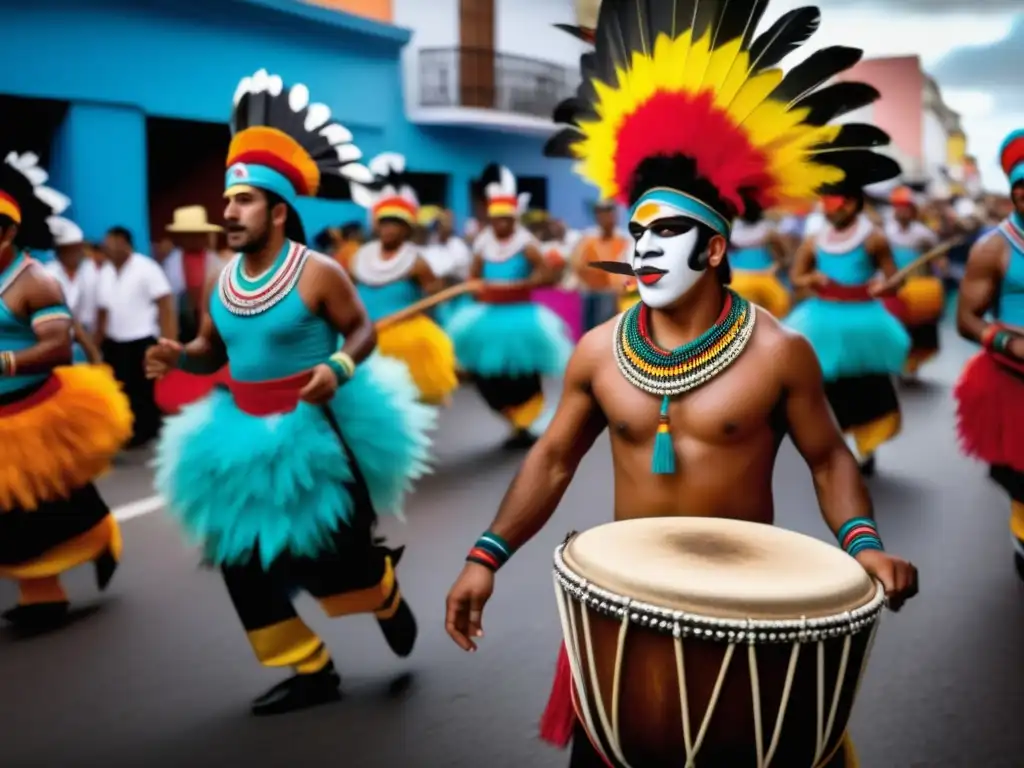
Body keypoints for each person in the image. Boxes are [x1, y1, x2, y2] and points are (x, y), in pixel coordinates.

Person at [444, 4, 918, 766]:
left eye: (667, 231)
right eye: (637, 233)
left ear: (716, 247)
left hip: (749, 614)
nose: (643, 248)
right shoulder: (599, 352)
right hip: (623, 609)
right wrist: (483, 557)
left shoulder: (778, 352)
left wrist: (864, 547)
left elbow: (829, 459)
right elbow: (554, 459)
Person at [145, 68, 435, 716]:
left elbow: (363, 330)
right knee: (240, 562)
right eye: (227, 202)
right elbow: (211, 350)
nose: (229, 212)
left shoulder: (318, 271)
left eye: (243, 201)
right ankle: (308, 668)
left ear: (278, 210)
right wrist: (179, 356)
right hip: (242, 438)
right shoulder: (218, 281)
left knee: (339, 562)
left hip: (316, 433)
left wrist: (338, 365)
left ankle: (379, 590)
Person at [0, 151, 132, 629]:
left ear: (10, 230)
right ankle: (41, 592)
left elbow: (58, 347)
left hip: (35, 409)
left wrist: (6, 361)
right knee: (14, 513)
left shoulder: (35, 280)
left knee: (41, 507)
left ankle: (92, 544)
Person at [444, 163, 572, 449]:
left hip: (521, 318)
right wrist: (477, 286)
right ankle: (515, 419)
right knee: (486, 376)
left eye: (506, 219)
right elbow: (473, 277)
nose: (501, 224)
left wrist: (524, 283)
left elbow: (544, 273)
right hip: (486, 318)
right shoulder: (482, 244)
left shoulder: (526, 243)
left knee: (522, 376)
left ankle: (531, 423)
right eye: (496, 219)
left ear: (514, 218)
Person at [786, 185, 911, 475]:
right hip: (822, 321)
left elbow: (896, 278)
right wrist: (810, 278)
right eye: (827, 204)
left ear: (853, 203)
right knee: (824, 386)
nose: (831, 210)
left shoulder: (874, 240)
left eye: (837, 203)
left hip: (865, 322)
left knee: (869, 385)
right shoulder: (814, 240)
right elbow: (796, 276)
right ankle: (834, 442)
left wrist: (887, 285)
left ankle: (867, 445)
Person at [954, 128, 1024, 582]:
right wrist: (1008, 342)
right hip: (1014, 378)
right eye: (1022, 187)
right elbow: (967, 318)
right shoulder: (993, 247)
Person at [349, 152, 458, 405]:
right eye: (384, 222)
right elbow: (344, 294)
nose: (388, 228)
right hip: (365, 337)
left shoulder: (416, 262)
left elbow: (435, 296)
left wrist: (431, 294)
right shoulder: (358, 259)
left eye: (395, 223)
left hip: (407, 341)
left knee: (404, 403)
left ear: (407, 228)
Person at [95, 225, 176, 448]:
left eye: (111, 242)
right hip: (115, 340)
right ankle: (127, 430)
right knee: (121, 388)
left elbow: (165, 303)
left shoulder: (146, 268)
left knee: (142, 388)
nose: (106, 247)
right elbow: (102, 310)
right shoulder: (105, 271)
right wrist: (97, 342)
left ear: (125, 244)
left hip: (141, 338)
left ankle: (146, 431)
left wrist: (168, 339)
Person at [883, 187, 943, 379]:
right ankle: (895, 360)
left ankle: (912, 363)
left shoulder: (923, 234)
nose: (902, 212)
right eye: (898, 208)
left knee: (917, 327)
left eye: (906, 208)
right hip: (892, 286)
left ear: (913, 211)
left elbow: (937, 260)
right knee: (893, 325)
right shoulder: (886, 232)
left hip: (917, 288)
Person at [161, 205, 227, 342]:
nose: (193, 239)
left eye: (198, 234)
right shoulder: (170, 264)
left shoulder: (217, 263)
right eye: (188, 234)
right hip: (181, 324)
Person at [44, 215, 102, 363]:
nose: (80, 253)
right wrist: (91, 349)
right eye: (75, 249)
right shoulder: (48, 274)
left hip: (88, 340)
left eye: (80, 248)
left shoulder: (89, 269)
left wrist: (94, 343)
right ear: (62, 251)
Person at [728, 202, 792, 318]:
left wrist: (774, 267)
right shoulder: (730, 230)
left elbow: (784, 256)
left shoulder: (767, 231)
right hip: (739, 278)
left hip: (760, 278)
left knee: (781, 303)